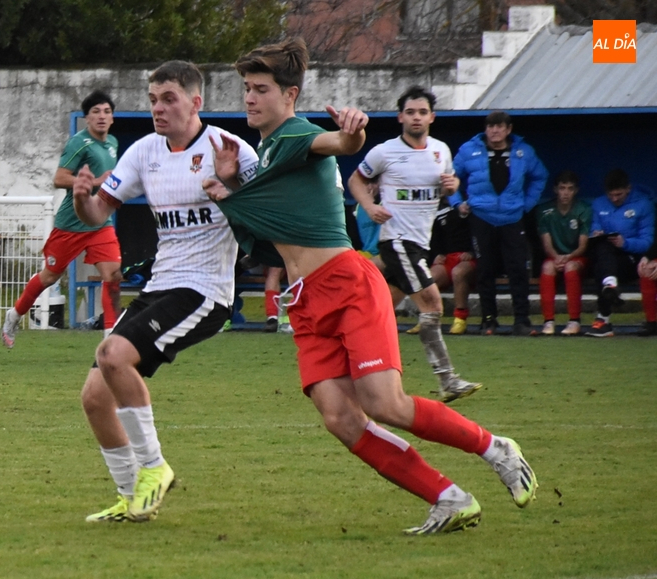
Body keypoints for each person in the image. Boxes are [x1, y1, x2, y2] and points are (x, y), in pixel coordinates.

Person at [205, 38, 537, 534]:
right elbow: (276, 227)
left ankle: (496, 448)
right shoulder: (270, 149)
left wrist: (353, 133)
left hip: (346, 286)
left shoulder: (297, 134)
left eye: (261, 89)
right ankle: (448, 499)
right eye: (247, 89)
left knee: (386, 404)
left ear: (290, 94)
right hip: (305, 301)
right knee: (340, 418)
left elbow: (338, 145)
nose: (250, 98)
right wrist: (232, 185)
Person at [71, 61, 259, 522]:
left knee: (112, 354)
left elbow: (266, 220)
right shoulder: (143, 152)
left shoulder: (230, 150)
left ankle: (154, 467)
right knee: (94, 396)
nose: (158, 108)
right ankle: (131, 496)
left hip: (205, 291)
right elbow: (97, 213)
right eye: (153, 99)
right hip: (160, 288)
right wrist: (81, 199)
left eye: (169, 99)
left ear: (196, 102)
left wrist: (232, 185)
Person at [350, 85, 480, 403]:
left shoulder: (440, 151)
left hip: (420, 243)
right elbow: (356, 179)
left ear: (432, 117)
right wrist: (369, 206)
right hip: (398, 241)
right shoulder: (385, 152)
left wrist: (453, 185)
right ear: (400, 117)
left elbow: (448, 186)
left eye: (422, 112)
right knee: (433, 305)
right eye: (410, 112)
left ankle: (350, 365)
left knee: (378, 311)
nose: (416, 117)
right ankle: (447, 379)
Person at [1, 90, 122, 347]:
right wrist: (95, 182)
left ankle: (110, 342)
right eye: (96, 112)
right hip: (72, 224)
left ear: (112, 117)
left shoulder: (112, 143)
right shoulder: (79, 143)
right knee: (50, 277)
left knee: (112, 275)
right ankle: (14, 315)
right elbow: (59, 178)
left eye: (107, 112)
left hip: (100, 222)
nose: (102, 116)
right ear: (87, 118)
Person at [451, 111, 548, 336]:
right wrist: (457, 202)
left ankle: (522, 321)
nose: (494, 131)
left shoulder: (523, 151)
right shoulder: (469, 150)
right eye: (490, 126)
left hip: (513, 218)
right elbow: (450, 177)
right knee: (485, 269)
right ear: (485, 129)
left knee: (518, 270)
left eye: (499, 126)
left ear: (508, 129)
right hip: (481, 217)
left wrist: (527, 204)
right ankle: (488, 321)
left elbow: (540, 176)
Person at [585, 169, 655, 338]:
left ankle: (603, 320)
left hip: (632, 260)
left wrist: (625, 243)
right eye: (611, 195)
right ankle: (610, 285)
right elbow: (593, 228)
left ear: (628, 189)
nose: (614, 199)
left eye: (619, 194)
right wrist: (596, 233)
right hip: (606, 257)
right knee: (603, 248)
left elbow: (648, 242)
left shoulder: (643, 204)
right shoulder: (598, 204)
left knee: (602, 268)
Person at [536, 170, 592, 336]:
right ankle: (548, 321)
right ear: (555, 190)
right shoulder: (544, 211)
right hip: (555, 257)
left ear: (576, 190)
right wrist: (556, 257)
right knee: (547, 267)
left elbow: (583, 245)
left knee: (570, 267)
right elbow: (546, 243)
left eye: (570, 188)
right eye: (562, 188)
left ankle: (574, 321)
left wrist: (568, 257)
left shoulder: (583, 209)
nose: (565, 193)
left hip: (577, 257)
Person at [429, 198, 476, 335]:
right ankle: (428, 318)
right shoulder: (439, 210)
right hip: (449, 258)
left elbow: (480, 233)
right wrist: (437, 254)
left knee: (458, 272)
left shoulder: (472, 205)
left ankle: (460, 318)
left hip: (471, 258)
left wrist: (472, 252)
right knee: (429, 277)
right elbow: (435, 238)